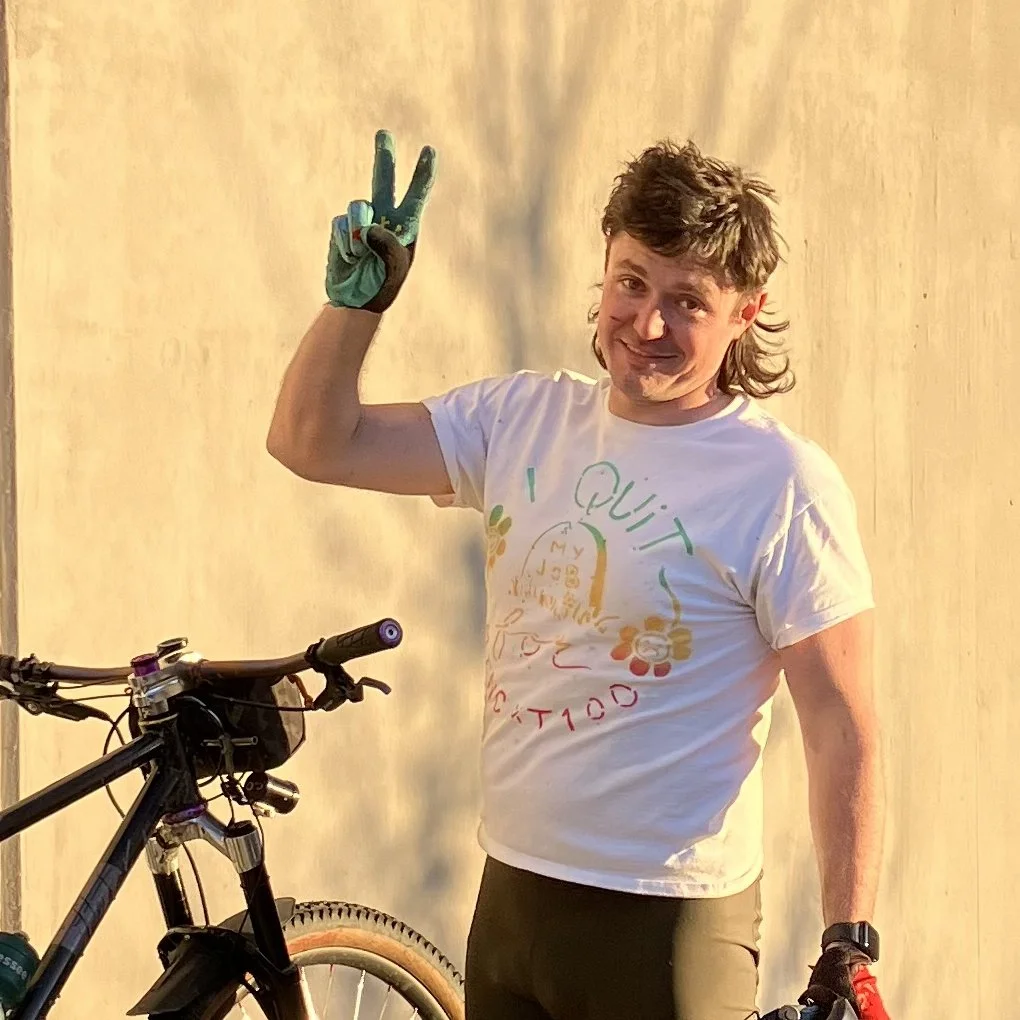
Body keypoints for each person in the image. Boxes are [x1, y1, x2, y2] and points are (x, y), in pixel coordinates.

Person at [266, 129, 891, 1020]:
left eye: (687, 301)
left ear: (745, 312)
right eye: (631, 283)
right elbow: (312, 442)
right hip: (512, 897)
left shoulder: (782, 483)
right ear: (603, 269)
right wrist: (354, 310)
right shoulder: (521, 419)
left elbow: (841, 722)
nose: (647, 324)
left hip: (667, 924)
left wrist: (848, 942)